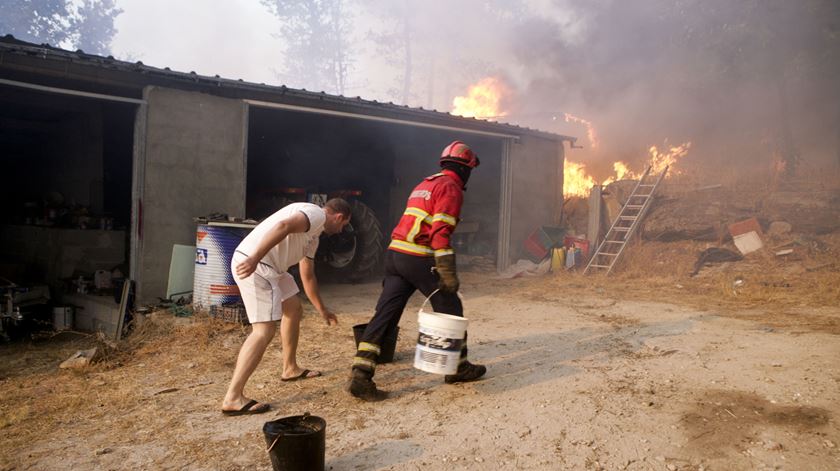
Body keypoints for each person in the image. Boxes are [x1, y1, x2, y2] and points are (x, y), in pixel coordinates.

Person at [348, 140, 487, 401]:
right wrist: (447, 270)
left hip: (395, 255)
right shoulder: (450, 187)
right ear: (465, 169)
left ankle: (361, 373)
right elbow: (440, 231)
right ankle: (458, 367)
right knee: (451, 308)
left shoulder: (425, 183)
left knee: (385, 314)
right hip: (418, 256)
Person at [221, 198, 351, 415]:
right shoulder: (316, 214)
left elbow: (307, 275)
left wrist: (322, 309)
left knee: (293, 308)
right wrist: (254, 258)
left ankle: (289, 368)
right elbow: (283, 226)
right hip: (258, 265)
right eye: (343, 225)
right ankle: (233, 397)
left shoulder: (314, 237)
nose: (340, 231)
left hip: (272, 267)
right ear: (338, 217)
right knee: (263, 330)